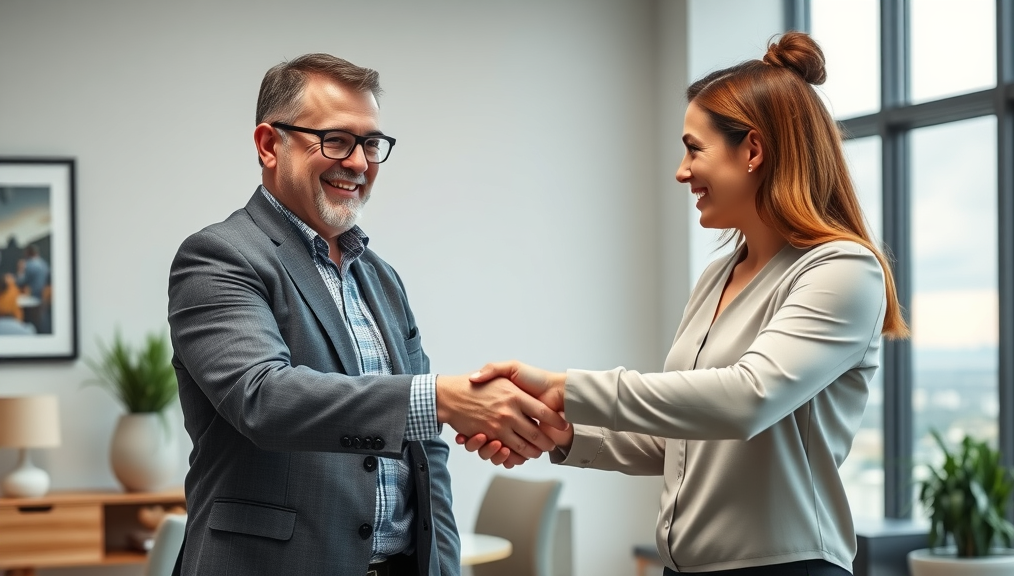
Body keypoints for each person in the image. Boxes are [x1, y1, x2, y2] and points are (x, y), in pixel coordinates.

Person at [458, 32, 908, 576]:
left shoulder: (840, 271)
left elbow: (746, 398)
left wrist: (565, 387)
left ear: (753, 151)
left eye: (694, 148)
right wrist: (568, 430)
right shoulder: (719, 274)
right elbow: (686, 438)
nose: (681, 170)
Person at [167, 53, 565, 576]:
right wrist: (442, 397)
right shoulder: (219, 256)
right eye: (335, 140)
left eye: (370, 143)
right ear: (269, 145)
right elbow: (263, 397)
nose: (358, 162)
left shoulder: (381, 278)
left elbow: (427, 453)